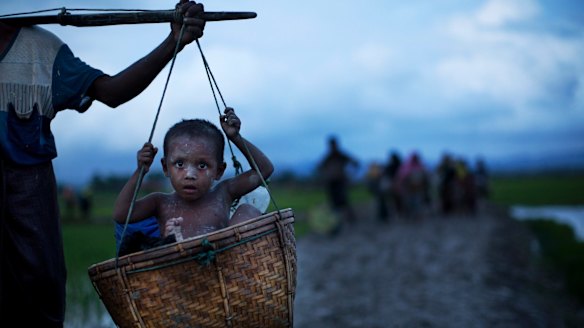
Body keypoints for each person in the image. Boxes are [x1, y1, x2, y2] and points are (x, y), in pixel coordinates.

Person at [0, 2, 205, 326]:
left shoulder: (40, 51)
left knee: (40, 286)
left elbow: (110, 91)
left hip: (28, 190)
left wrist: (173, 43)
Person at [113, 107, 274, 243]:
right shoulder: (160, 203)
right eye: (180, 164)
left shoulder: (224, 193)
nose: (190, 174)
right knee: (168, 239)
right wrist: (140, 171)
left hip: (225, 269)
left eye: (202, 165)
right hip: (179, 274)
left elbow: (264, 170)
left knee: (247, 210)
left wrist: (236, 138)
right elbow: (121, 215)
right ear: (165, 167)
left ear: (219, 171)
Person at [316, 135, 359, 231]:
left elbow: (355, 163)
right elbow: (319, 167)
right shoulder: (328, 157)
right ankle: (336, 222)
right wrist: (325, 177)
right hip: (331, 183)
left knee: (344, 200)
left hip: (340, 181)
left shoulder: (341, 155)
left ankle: (351, 220)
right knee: (334, 203)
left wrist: (352, 175)